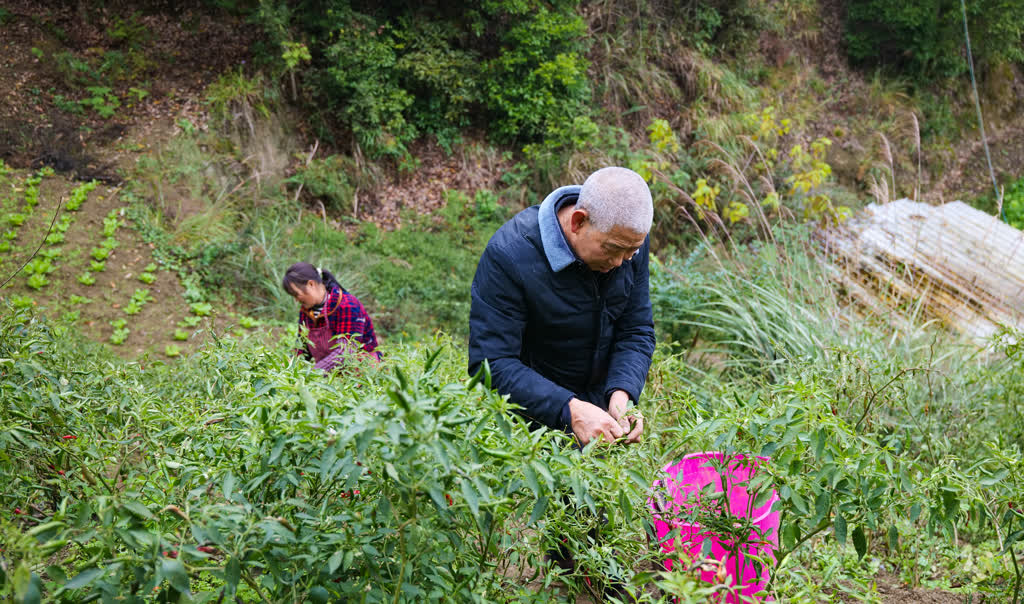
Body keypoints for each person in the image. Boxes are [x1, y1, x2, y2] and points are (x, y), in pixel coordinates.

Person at [468, 166, 656, 447]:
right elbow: (492, 363)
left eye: (631, 252)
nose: (620, 263)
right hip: (528, 425)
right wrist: (570, 409)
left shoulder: (626, 241)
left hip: (600, 418)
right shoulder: (509, 255)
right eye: (613, 250)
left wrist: (621, 393)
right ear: (578, 222)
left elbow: (636, 329)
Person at [283, 262, 381, 372]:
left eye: (296, 294)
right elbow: (302, 346)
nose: (296, 300)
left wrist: (313, 373)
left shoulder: (347, 305)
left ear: (311, 284)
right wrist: (289, 367)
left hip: (361, 373)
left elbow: (346, 352)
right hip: (329, 374)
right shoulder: (306, 311)